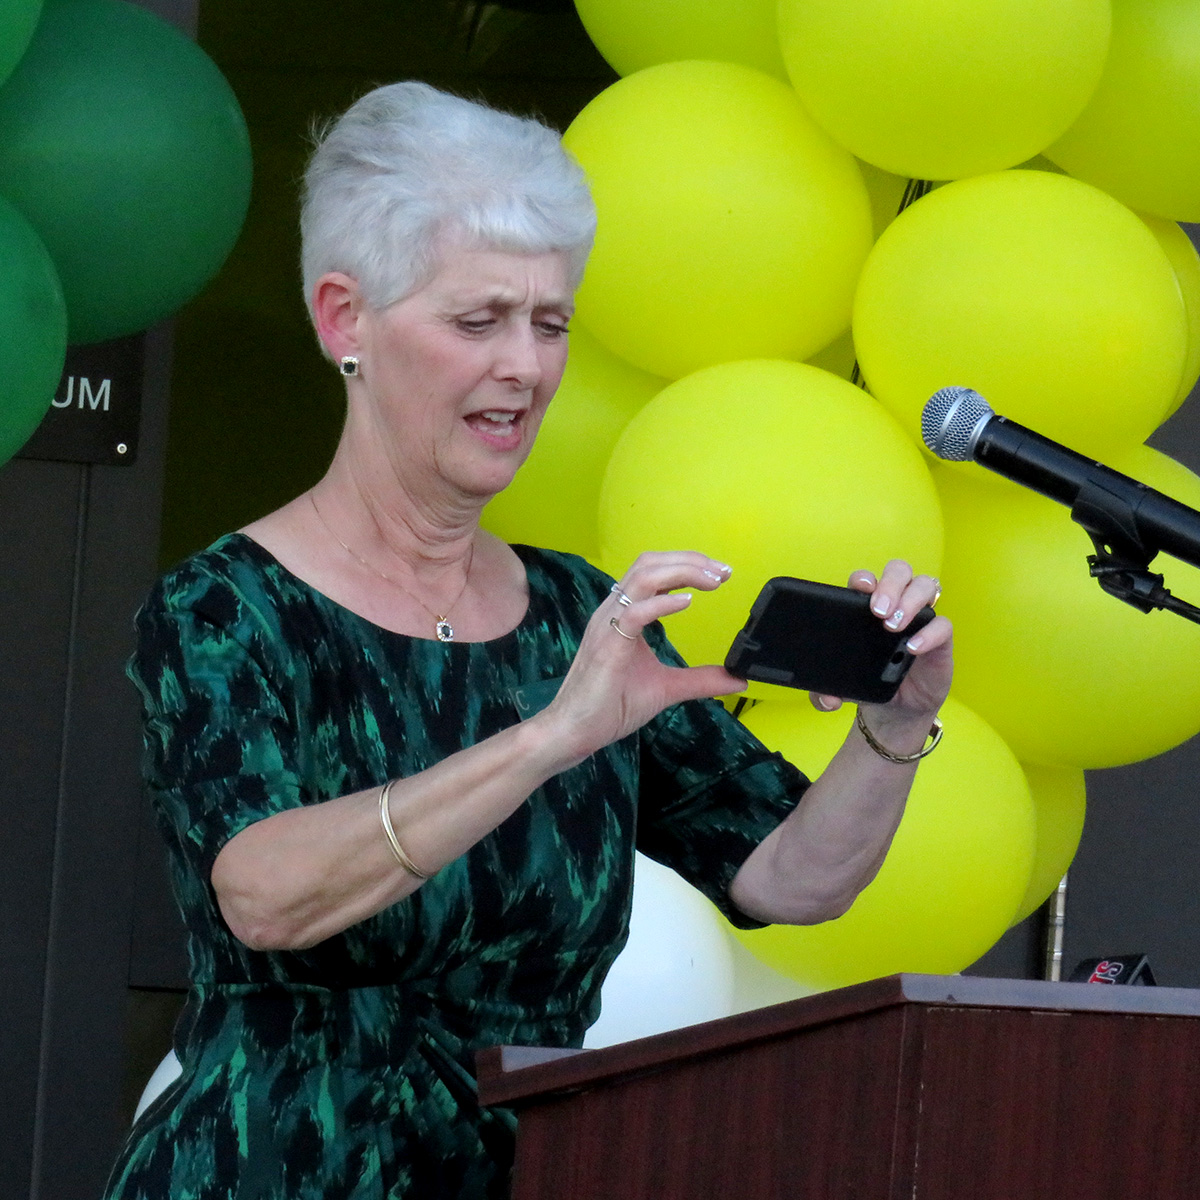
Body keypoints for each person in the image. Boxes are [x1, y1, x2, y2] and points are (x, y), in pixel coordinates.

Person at [103, 82, 951, 1199]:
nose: (527, 365)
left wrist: (898, 724)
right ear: (345, 320)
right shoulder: (224, 608)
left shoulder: (573, 611)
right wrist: (548, 738)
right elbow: (264, 896)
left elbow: (791, 877)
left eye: (550, 324)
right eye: (479, 321)